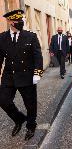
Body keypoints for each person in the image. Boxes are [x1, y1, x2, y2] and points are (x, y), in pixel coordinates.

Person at [0, 9, 43, 140]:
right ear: (9, 22)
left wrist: (37, 73)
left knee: (30, 104)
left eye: (20, 20)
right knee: (3, 100)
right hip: (9, 75)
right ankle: (19, 119)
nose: (19, 23)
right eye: (16, 21)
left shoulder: (31, 36)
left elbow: (38, 56)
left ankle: (31, 125)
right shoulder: (2, 37)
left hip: (27, 75)